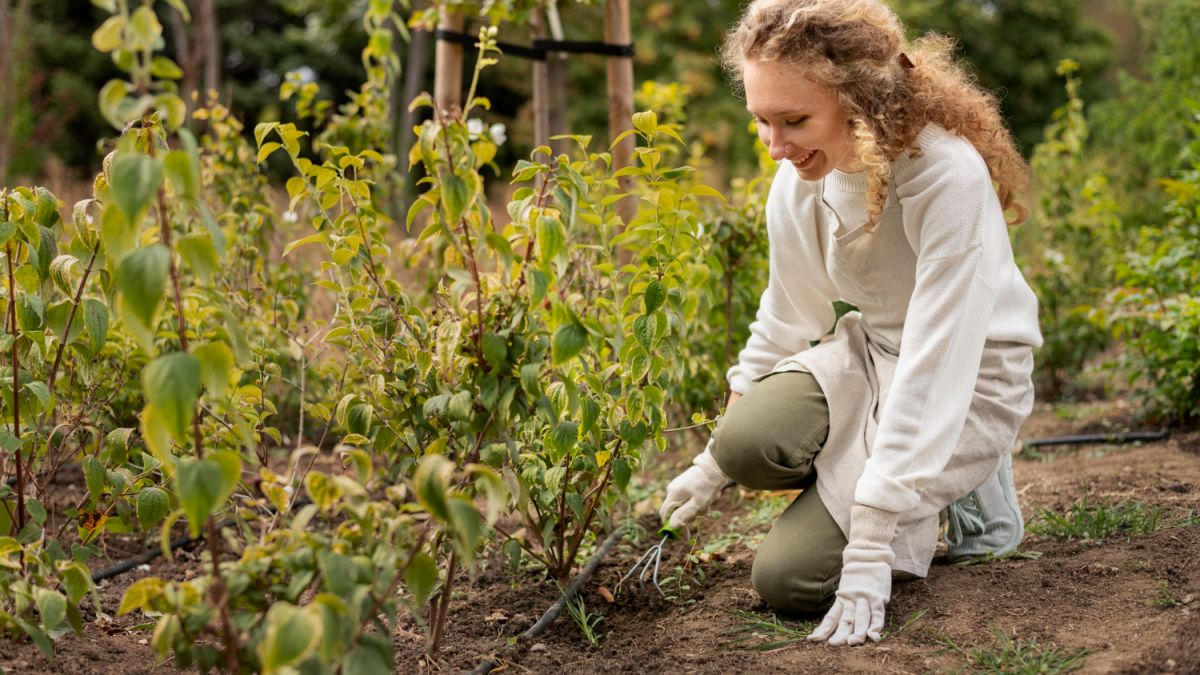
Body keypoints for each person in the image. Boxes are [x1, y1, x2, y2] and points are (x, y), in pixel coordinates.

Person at [657, 0, 1042, 647]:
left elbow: (936, 355)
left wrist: (872, 537)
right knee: (747, 442)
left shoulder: (945, 175)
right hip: (875, 352)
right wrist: (710, 463)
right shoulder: (802, 175)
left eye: (794, 120)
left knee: (790, 580)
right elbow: (788, 313)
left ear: (860, 99)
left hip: (967, 374)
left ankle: (970, 478)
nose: (775, 146)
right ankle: (888, 477)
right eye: (760, 120)